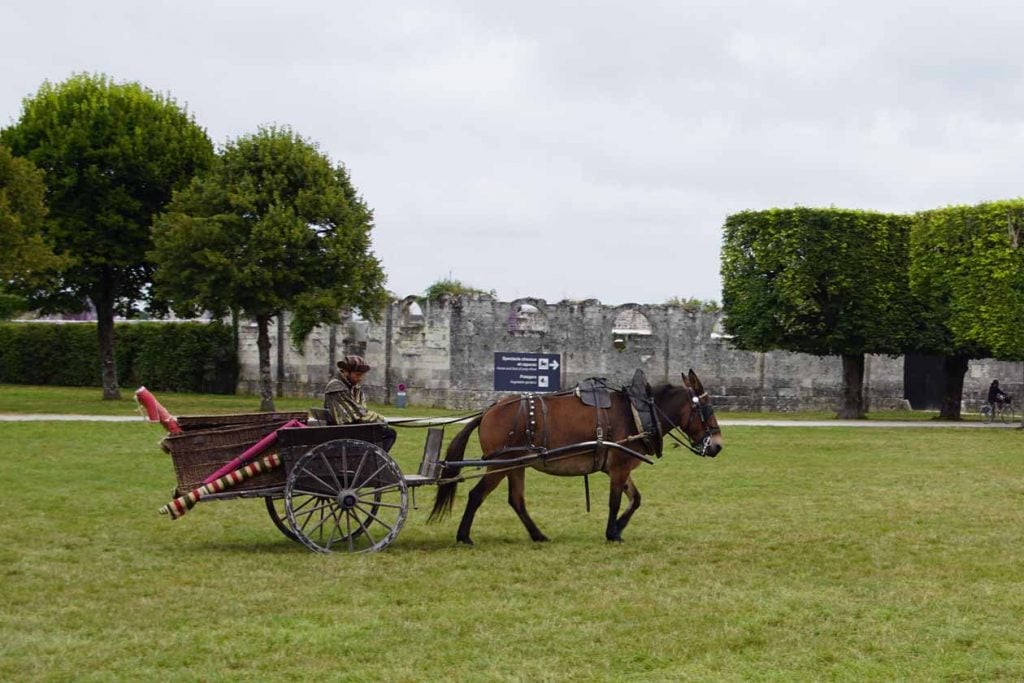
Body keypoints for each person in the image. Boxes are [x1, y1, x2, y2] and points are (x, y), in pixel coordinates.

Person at [323, 355, 397, 451]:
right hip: (342, 431)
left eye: (362, 375)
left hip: (350, 428)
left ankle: (373, 459)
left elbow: (362, 409)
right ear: (345, 372)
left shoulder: (352, 385)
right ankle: (374, 460)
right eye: (357, 374)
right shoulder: (336, 387)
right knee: (389, 434)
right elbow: (356, 414)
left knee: (387, 432)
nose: (360, 378)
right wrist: (380, 419)